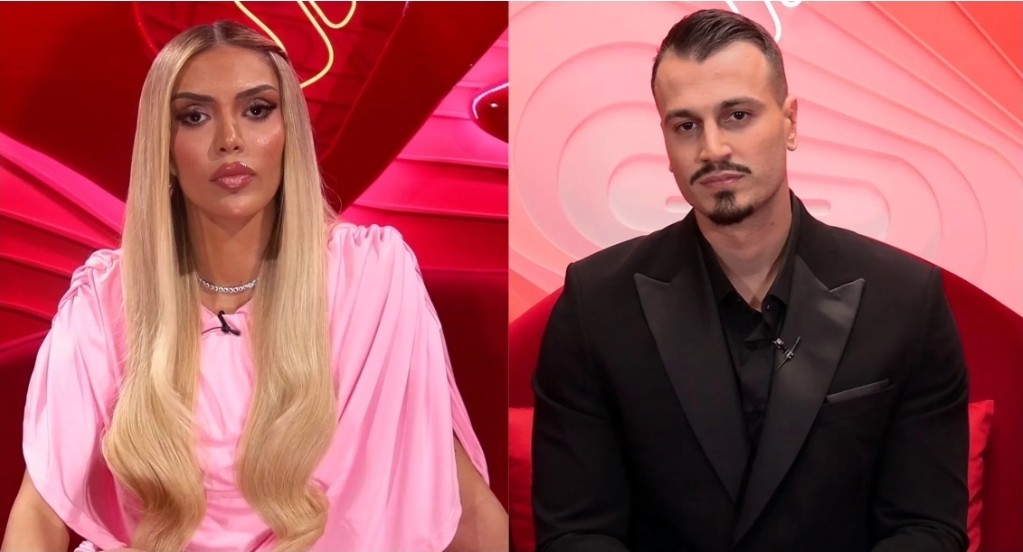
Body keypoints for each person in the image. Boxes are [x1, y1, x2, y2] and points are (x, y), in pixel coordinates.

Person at [1, 20, 508, 552]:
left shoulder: (372, 278)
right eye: (195, 117)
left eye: (257, 110)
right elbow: (40, 512)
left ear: (290, 132)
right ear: (164, 147)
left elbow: (456, 499)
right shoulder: (105, 300)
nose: (230, 139)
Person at [531, 9, 968, 552]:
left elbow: (927, 527)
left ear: (790, 123)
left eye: (737, 115)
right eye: (686, 125)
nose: (713, 148)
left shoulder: (905, 298)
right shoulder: (596, 304)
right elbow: (576, 532)